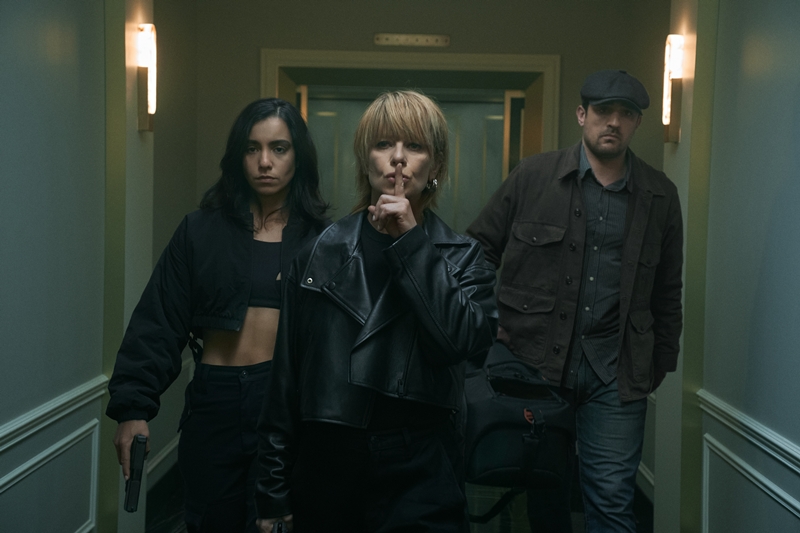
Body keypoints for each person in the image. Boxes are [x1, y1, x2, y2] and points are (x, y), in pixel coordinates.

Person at [254, 90, 498, 533]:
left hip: (421, 467)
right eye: (384, 144)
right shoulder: (318, 253)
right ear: (365, 160)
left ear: (436, 166)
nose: (398, 158)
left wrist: (410, 241)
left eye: (415, 146)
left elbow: (459, 342)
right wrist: (272, 489)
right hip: (329, 462)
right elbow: (285, 379)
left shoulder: (463, 258)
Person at [467, 70, 684, 532]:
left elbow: (668, 288)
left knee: (611, 499)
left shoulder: (660, 194)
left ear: (637, 123)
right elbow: (477, 250)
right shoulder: (533, 176)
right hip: (535, 364)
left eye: (626, 114)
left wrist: (661, 359)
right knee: (546, 491)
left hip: (617, 372)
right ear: (582, 115)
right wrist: (489, 322)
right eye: (603, 111)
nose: (614, 122)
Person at [106, 98, 329, 532]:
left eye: (279, 148)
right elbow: (158, 320)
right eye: (252, 148)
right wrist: (133, 408)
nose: (265, 162)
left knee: (275, 524)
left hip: (284, 404)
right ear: (237, 156)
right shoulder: (200, 230)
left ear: (298, 156)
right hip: (215, 401)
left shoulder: (324, 240)